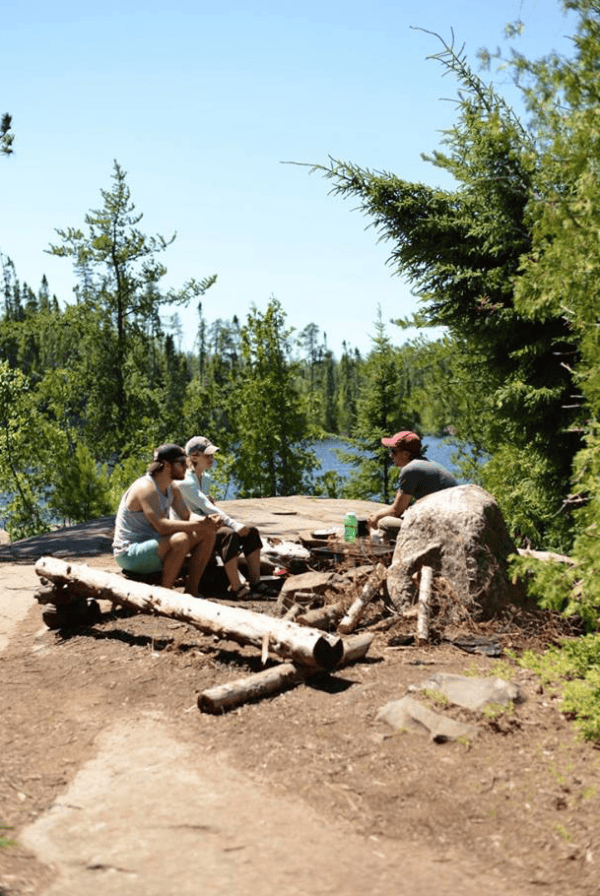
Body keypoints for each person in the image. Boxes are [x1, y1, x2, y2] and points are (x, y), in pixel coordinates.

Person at [112, 443, 218, 597]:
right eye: (181, 463)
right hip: (129, 554)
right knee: (180, 539)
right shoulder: (146, 488)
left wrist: (206, 521)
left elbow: (187, 516)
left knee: (208, 532)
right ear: (167, 465)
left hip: (156, 546)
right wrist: (199, 524)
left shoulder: (171, 487)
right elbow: (162, 526)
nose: (186, 467)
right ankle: (166, 596)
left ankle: (192, 591)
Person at [176, 435, 271, 598]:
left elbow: (204, 506)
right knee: (229, 534)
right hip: (186, 530)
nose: (211, 459)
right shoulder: (185, 481)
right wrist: (234, 524)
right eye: (207, 455)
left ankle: (256, 583)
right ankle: (237, 588)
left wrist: (206, 502)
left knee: (252, 532)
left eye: (212, 455)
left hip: (203, 524)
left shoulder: (205, 478)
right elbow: (208, 508)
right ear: (194, 457)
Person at [368, 430, 458, 538]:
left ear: (406, 454)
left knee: (384, 523)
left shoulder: (410, 470)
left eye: (393, 451)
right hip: (449, 520)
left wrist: (375, 517)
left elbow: (396, 511)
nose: (390, 455)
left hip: (444, 526)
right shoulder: (423, 464)